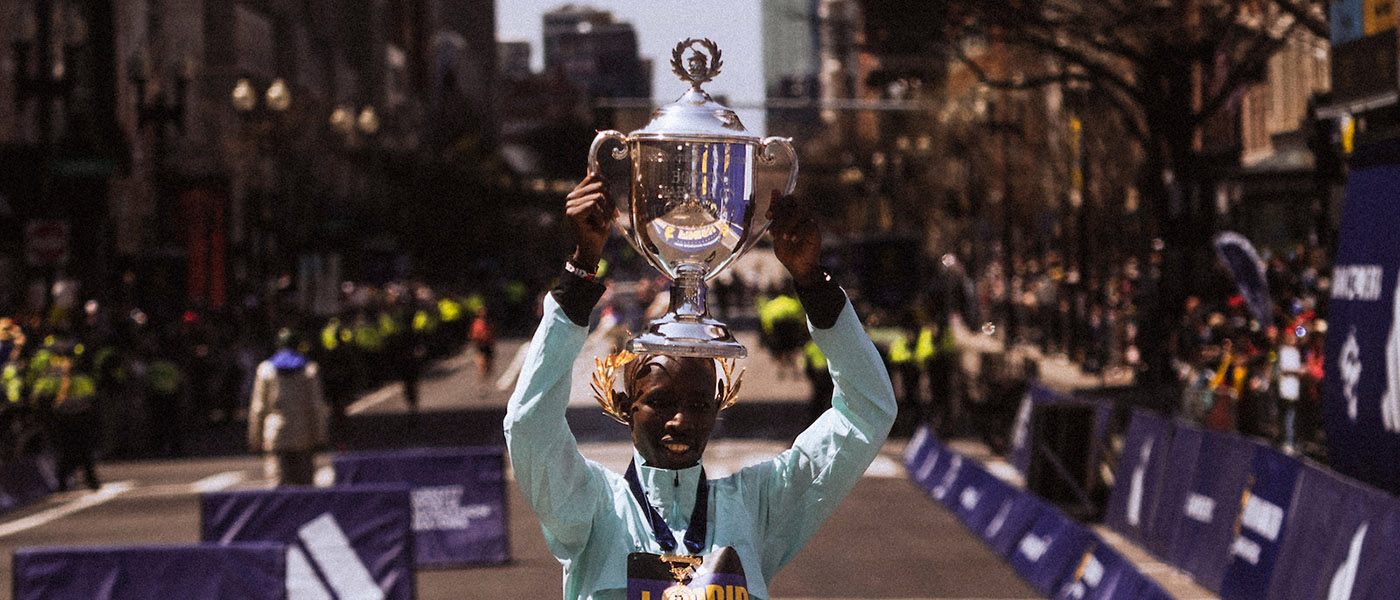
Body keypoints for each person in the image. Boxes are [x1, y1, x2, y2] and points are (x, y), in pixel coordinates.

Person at [505, 174, 896, 600]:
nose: (680, 420)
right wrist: (581, 269)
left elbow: (867, 412)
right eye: (659, 401)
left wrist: (812, 281)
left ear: (717, 407)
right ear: (624, 405)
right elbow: (530, 425)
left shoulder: (756, 506)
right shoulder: (594, 507)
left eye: (698, 403)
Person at [247, 328, 328, 486]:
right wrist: (320, 437)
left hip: (276, 436)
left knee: (279, 489)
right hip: (303, 435)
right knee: (305, 488)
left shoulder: (266, 370)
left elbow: (258, 408)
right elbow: (316, 407)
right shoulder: (309, 369)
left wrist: (255, 439)